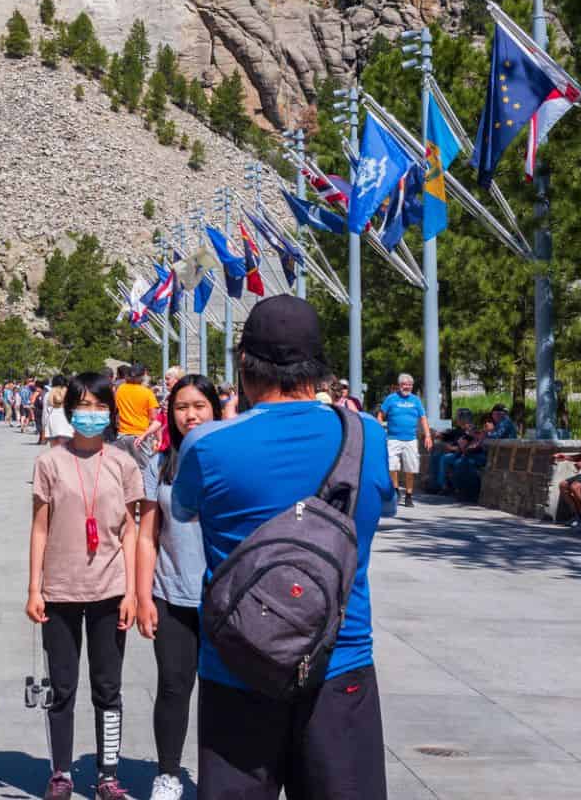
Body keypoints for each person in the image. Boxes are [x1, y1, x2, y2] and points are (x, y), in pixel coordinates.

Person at [172, 295, 393, 798]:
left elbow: (184, 512)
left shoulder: (207, 445)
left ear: (245, 367)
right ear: (317, 368)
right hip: (341, 660)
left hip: (237, 666)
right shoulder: (368, 437)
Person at [26, 371, 143, 800]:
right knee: (62, 687)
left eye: (99, 406)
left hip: (110, 590)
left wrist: (132, 591)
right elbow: (40, 528)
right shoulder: (49, 463)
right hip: (60, 589)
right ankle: (60, 772)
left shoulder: (124, 463)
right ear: (68, 410)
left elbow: (131, 530)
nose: (91, 414)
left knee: (108, 688)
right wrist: (34, 587)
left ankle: (107, 774)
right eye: (83, 405)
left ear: (110, 412)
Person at [135, 374, 223, 800]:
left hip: (226, 600)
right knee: (173, 685)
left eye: (199, 406)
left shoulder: (231, 459)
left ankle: (219, 775)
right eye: (182, 406)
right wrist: (141, 596)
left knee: (223, 693)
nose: (190, 414)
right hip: (171, 596)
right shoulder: (160, 463)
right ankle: (167, 773)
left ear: (215, 409)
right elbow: (146, 534)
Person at [377, 373, 428, 507]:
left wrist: (428, 436)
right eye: (404, 384)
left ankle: (409, 496)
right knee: (392, 466)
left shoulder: (416, 400)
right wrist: (380, 430)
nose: (407, 387)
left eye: (409, 385)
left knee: (410, 468)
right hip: (393, 438)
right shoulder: (391, 399)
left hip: (410, 439)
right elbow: (381, 415)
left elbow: (423, 418)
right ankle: (396, 490)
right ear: (400, 385)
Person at [112, 364, 160, 465]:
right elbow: (154, 419)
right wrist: (158, 438)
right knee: (143, 469)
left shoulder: (120, 389)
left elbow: (114, 408)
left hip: (122, 435)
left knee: (123, 468)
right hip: (140, 436)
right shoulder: (147, 393)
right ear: (143, 376)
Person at [424, 408, 477, 496]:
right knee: (436, 455)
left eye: (458, 417)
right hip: (456, 452)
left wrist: (452, 448)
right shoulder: (459, 429)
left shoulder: (471, 429)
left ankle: (442, 486)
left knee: (444, 458)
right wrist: (439, 435)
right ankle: (434, 483)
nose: (457, 419)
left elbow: (467, 445)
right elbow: (450, 435)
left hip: (463, 454)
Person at [42, 376, 72, 446]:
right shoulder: (69, 394)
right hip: (66, 424)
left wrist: (43, 427)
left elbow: (45, 413)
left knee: (54, 450)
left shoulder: (48, 394)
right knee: (66, 450)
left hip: (52, 424)